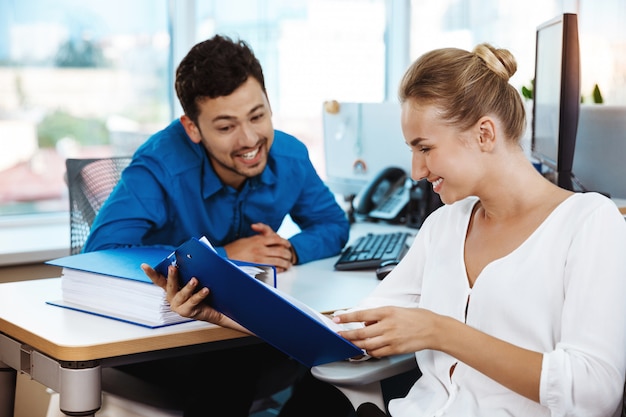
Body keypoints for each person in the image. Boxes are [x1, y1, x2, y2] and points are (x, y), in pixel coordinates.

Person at [145, 42, 626, 417]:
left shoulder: (589, 223)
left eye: (425, 148)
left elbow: (594, 393)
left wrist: (440, 332)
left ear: (484, 134)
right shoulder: (443, 227)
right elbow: (347, 331)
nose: (415, 171)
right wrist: (225, 311)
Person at [84, 34, 351, 417]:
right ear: (192, 128)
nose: (250, 140)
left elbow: (332, 223)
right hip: (161, 336)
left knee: (337, 350)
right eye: (226, 127)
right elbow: (101, 256)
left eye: (257, 116)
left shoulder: (289, 155)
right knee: (229, 369)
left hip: (242, 327)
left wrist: (291, 249)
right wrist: (225, 257)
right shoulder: (159, 166)